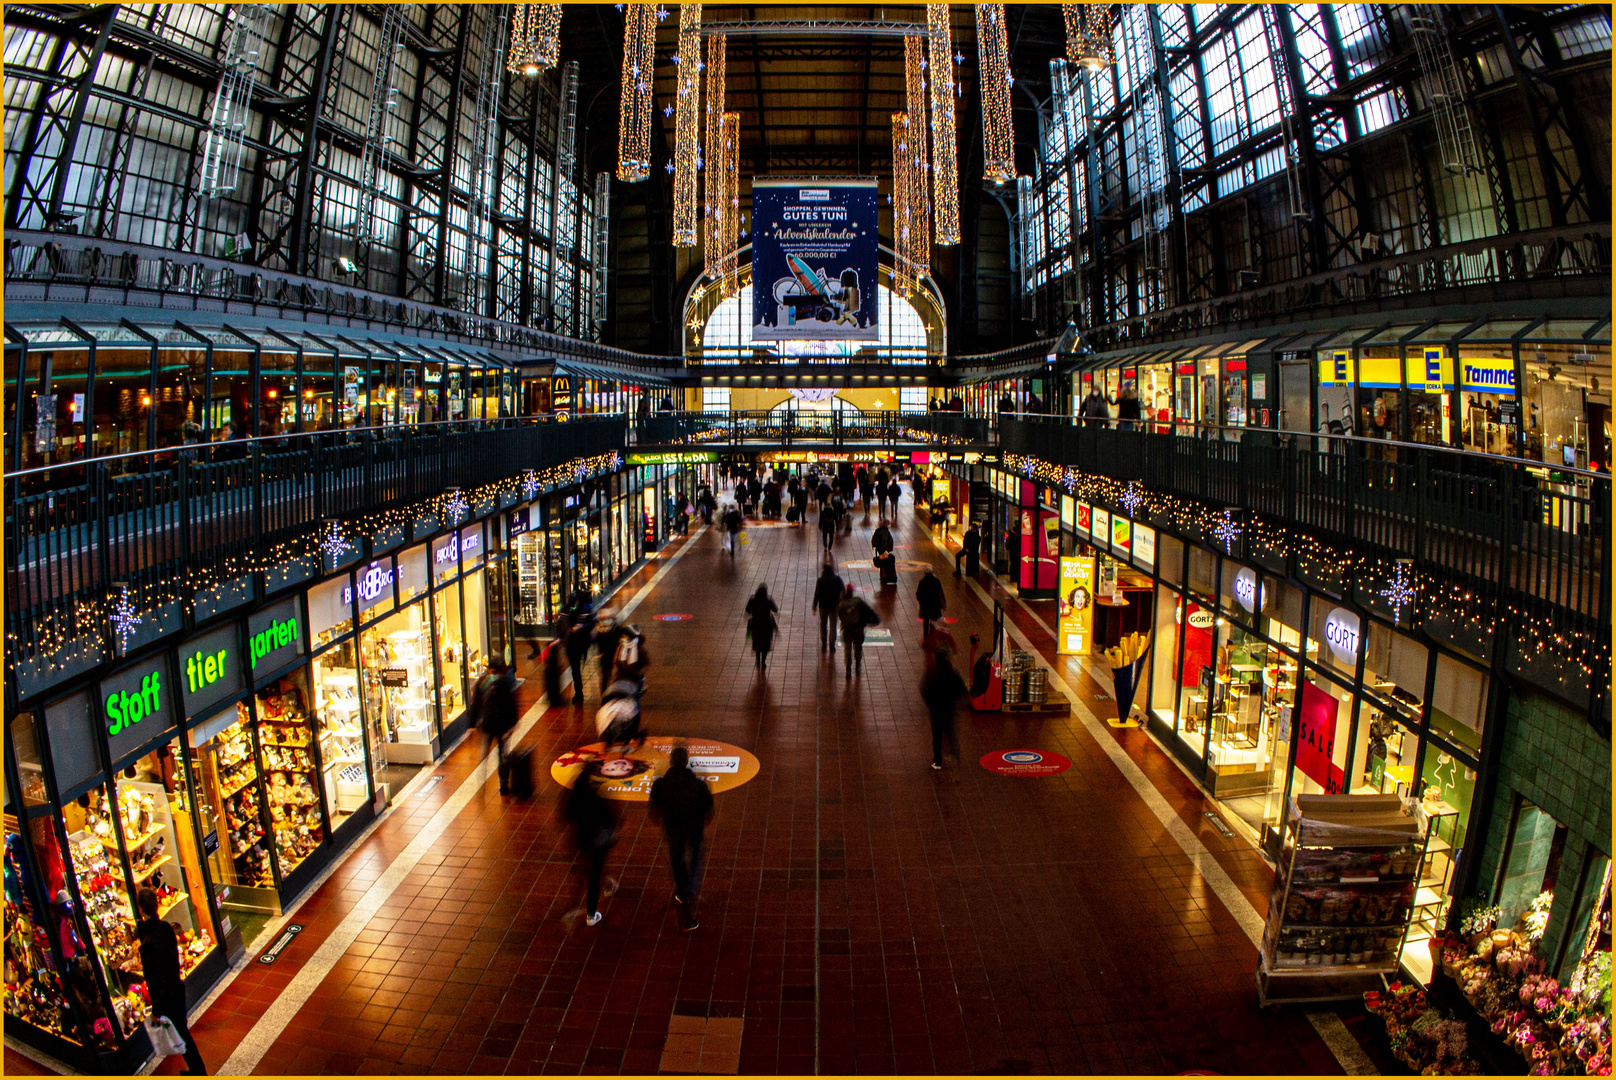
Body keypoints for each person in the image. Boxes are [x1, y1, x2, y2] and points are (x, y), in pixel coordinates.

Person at [134, 887, 207, 1074]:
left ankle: (199, 1072)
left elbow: (154, 978)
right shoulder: (166, 928)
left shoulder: (149, 943)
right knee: (183, 1033)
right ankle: (196, 1070)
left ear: (141, 909)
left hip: (168, 998)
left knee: (183, 1036)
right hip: (177, 990)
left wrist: (157, 1010)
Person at [649, 743, 714, 933]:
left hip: (673, 829)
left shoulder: (661, 784)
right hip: (693, 829)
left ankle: (684, 890)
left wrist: (662, 821)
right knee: (695, 856)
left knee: (676, 859)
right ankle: (687, 891)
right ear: (686, 762)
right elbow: (709, 808)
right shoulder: (698, 784)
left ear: (671, 762)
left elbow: (654, 809)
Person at [566, 763, 618, 926]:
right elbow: (608, 819)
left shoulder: (574, 796)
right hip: (597, 841)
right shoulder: (594, 799)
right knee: (594, 875)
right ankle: (591, 914)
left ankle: (607, 881)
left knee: (590, 869)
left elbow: (568, 815)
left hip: (582, 839)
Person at [921, 648, 967, 770]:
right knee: (950, 732)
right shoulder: (952, 673)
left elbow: (924, 689)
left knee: (936, 735)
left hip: (935, 710)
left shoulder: (931, 673)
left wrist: (930, 703)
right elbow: (961, 689)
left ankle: (937, 760)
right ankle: (954, 754)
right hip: (949, 709)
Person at [479, 658, 519, 792]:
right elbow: (512, 706)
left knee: (492, 754)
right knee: (501, 754)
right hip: (499, 726)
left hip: (491, 725)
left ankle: (491, 782)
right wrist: (511, 725)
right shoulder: (505, 683)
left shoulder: (486, 683)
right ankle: (503, 784)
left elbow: (477, 704)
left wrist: (474, 723)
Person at [836, 584, 880, 679]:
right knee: (858, 646)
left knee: (847, 647)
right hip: (858, 627)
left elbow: (840, 616)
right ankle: (858, 665)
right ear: (852, 592)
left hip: (847, 629)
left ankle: (848, 668)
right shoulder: (858, 601)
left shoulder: (842, 604)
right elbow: (868, 610)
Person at [563, 592, 595, 707]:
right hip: (572, 644)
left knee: (575, 668)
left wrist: (581, 628)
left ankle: (578, 692)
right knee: (575, 669)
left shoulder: (585, 609)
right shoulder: (567, 609)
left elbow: (591, 623)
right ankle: (578, 692)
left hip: (579, 643)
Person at [812, 560, 845, 654]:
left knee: (823, 624)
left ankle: (823, 641)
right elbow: (843, 591)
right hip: (834, 606)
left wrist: (814, 607)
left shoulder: (820, 580)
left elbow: (817, 594)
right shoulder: (837, 579)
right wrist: (841, 602)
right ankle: (831, 644)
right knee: (833, 625)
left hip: (823, 606)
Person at [744, 585, 778, 674]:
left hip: (756, 625)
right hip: (767, 626)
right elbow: (775, 609)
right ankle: (763, 662)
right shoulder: (768, 600)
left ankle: (757, 661)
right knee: (765, 645)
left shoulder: (752, 599)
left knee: (757, 644)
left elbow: (747, 610)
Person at [916, 566, 946, 637]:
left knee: (926, 621)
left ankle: (926, 636)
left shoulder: (922, 582)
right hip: (935, 605)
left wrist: (921, 602)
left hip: (926, 606)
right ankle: (933, 635)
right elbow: (940, 593)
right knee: (934, 621)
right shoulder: (936, 581)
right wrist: (943, 603)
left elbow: (918, 594)